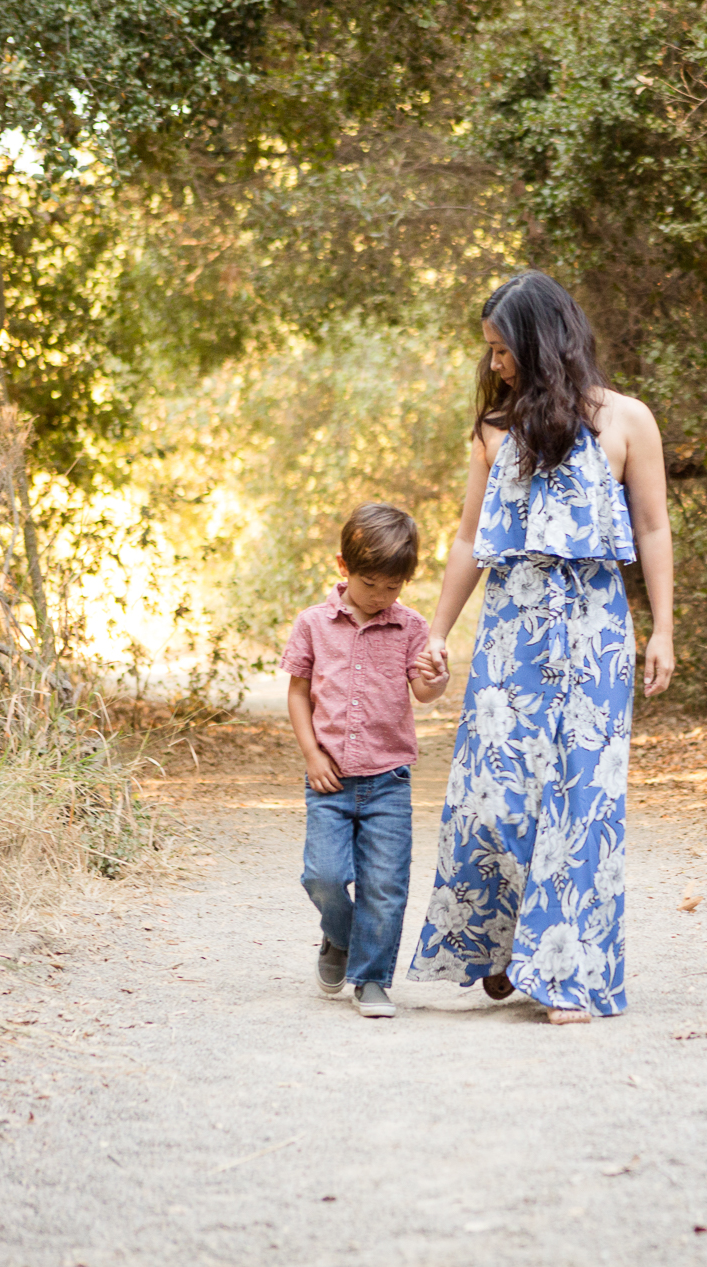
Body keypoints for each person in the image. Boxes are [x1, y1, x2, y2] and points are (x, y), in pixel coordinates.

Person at [405, 270, 674, 1024]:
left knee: (582, 799)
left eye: (501, 348)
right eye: (489, 350)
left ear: (538, 342)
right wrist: (437, 630)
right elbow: (468, 540)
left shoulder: (628, 421)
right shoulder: (495, 432)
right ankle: (504, 946)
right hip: (510, 637)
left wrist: (664, 628)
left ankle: (568, 976)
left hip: (596, 635)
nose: (494, 364)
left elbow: (652, 527)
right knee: (497, 794)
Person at [280, 503, 450, 1019]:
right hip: (329, 780)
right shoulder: (313, 624)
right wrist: (311, 755)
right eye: (371, 584)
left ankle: (372, 979)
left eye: (393, 588)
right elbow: (298, 692)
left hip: (388, 781)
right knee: (323, 875)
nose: (381, 597)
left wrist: (437, 677)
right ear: (343, 567)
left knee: (386, 885)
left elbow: (424, 691)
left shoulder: (411, 626)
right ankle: (339, 935)